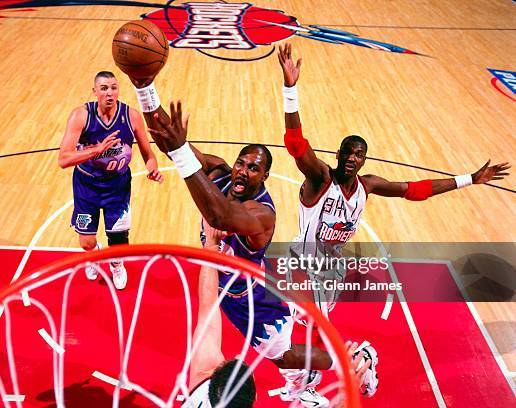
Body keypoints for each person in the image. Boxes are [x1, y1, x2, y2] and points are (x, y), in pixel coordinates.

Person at [277, 42, 511, 401]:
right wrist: (290, 88)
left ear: (363, 159)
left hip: (331, 267)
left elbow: (415, 189)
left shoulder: (367, 186)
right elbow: (295, 143)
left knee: (311, 326)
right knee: (302, 322)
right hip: (303, 258)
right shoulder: (320, 179)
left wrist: (469, 178)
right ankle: (330, 372)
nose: (354, 158)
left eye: (360, 154)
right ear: (338, 154)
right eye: (349, 152)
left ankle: (351, 366)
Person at [127, 76, 340, 407]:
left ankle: (346, 361)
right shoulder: (219, 172)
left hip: (252, 300)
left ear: (265, 176)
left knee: (283, 358)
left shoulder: (262, 214)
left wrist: (181, 153)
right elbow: (169, 139)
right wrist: (143, 86)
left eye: (254, 168)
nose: (243, 171)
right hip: (221, 284)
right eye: (241, 163)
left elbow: (220, 216)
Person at [58, 71, 163, 289]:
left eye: (113, 87)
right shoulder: (81, 116)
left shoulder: (131, 116)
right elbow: (63, 159)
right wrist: (97, 150)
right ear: (94, 91)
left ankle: (116, 266)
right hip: (87, 186)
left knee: (118, 241)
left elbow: (148, 153)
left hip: (118, 186)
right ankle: (94, 254)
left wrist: (152, 168)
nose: (109, 93)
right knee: (86, 242)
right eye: (104, 88)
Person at [184, 219, 255, 407]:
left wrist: (211, 244)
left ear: (210, 377)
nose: (240, 357)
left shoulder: (202, 380)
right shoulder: (204, 379)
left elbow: (208, 306)